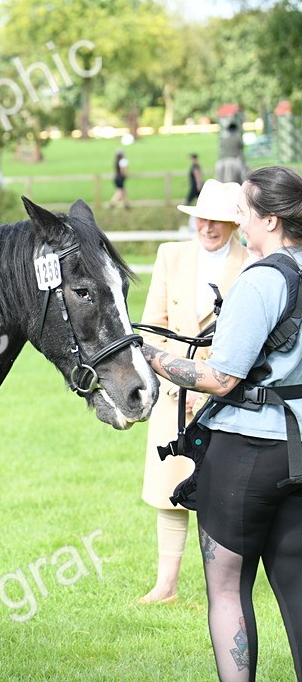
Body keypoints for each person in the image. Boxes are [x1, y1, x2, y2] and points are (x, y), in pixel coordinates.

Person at [139, 166, 302, 680]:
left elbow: (220, 378)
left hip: (246, 453)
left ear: (270, 220)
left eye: (245, 210)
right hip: (298, 449)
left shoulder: (263, 280)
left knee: (227, 586)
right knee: (297, 586)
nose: (239, 219)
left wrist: (147, 355)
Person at [137, 179, 248, 605]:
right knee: (169, 489)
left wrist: (212, 389)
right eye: (202, 217)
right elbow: (153, 325)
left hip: (227, 391)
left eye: (218, 220)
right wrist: (172, 381)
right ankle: (166, 585)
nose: (208, 226)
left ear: (234, 224)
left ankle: (220, 585)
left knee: (219, 489)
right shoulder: (171, 255)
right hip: (172, 391)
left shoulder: (253, 262)